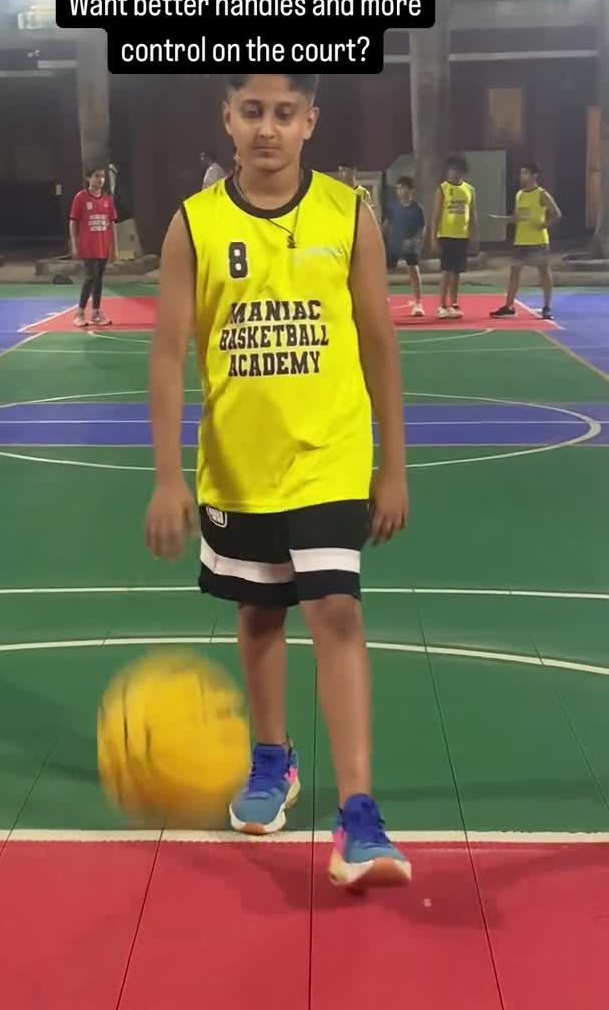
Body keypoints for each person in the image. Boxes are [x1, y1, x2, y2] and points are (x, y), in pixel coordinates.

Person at [146, 73, 411, 890]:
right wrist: (165, 476)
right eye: (253, 112)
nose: (268, 128)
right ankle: (274, 759)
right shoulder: (194, 224)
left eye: (284, 113)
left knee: (336, 610)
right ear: (227, 119)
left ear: (310, 123)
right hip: (238, 463)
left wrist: (394, 464)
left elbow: (379, 341)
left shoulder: (349, 214)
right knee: (261, 614)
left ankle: (359, 811)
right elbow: (167, 353)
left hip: (330, 454)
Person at [490, 163, 561, 321]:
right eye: (521, 173)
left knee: (543, 272)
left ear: (534, 175)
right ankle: (509, 307)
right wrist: (501, 219)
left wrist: (543, 225)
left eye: (525, 173)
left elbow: (556, 213)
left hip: (538, 241)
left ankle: (547, 307)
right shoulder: (519, 194)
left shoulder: (542, 194)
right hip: (520, 241)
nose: (522, 176)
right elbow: (517, 218)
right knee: (514, 272)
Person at [431, 155, 478, 319]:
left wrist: (474, 236)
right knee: (446, 270)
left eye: (457, 170)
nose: (454, 173)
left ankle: (454, 303)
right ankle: (442, 305)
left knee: (457, 272)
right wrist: (433, 237)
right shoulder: (442, 189)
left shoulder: (469, 190)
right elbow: (436, 215)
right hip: (446, 235)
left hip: (462, 236)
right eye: (451, 169)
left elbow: (473, 215)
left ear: (463, 171)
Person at [69, 167, 117, 328]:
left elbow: (112, 224)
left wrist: (114, 248)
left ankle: (96, 312)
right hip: (88, 247)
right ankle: (80, 313)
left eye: (102, 176)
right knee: (91, 277)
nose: (100, 179)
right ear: (88, 178)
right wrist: (74, 244)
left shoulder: (108, 199)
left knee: (99, 280)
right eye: (96, 176)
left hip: (103, 246)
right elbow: (73, 222)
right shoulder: (80, 198)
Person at [383, 175, 425, 317]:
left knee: (413, 271)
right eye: (398, 188)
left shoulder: (417, 209)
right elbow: (386, 225)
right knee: (385, 273)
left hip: (409, 246)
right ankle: (384, 300)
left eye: (403, 188)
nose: (400, 191)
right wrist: (381, 238)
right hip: (393, 245)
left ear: (411, 190)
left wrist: (413, 241)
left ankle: (418, 303)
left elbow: (421, 230)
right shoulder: (392, 207)